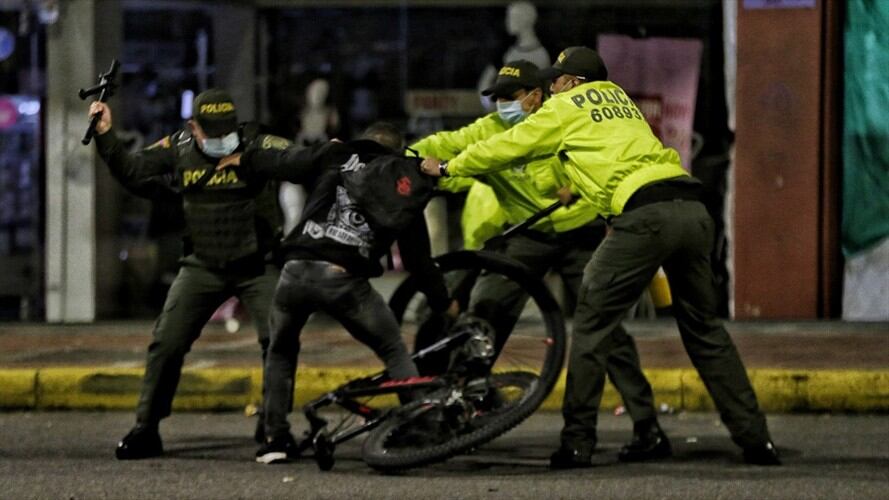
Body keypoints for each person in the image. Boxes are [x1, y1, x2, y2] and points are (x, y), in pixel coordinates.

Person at [420, 47, 781, 467]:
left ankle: (577, 443)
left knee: (591, 325)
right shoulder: (622, 103)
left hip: (644, 219)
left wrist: (447, 169)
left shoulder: (567, 106)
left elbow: (510, 146)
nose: (550, 87)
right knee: (705, 330)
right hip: (691, 211)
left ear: (572, 82)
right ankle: (756, 439)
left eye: (555, 80)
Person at [414, 59, 669, 463]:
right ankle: (455, 415)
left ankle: (647, 427)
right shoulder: (491, 130)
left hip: (580, 234)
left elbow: (603, 161)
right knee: (485, 313)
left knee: (606, 332)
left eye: (509, 97)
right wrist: (398, 156)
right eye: (495, 98)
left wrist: (575, 184)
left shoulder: (561, 117)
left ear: (536, 96)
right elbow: (445, 144)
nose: (501, 105)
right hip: (528, 236)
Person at [217, 122, 457, 464]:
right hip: (343, 278)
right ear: (398, 152)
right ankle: (424, 427)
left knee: (281, 351)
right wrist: (443, 302)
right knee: (392, 348)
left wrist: (244, 158)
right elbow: (419, 261)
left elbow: (286, 162)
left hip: (295, 270)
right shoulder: (404, 182)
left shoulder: (336, 154)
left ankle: (275, 439)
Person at [89, 88, 290, 459]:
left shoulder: (256, 142)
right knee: (166, 343)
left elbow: (300, 161)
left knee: (277, 340)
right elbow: (133, 171)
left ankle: (275, 429)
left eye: (225, 131)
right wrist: (105, 135)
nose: (220, 139)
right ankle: (146, 428)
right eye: (210, 132)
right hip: (203, 264)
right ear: (193, 127)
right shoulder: (178, 146)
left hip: (256, 264)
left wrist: (325, 153)